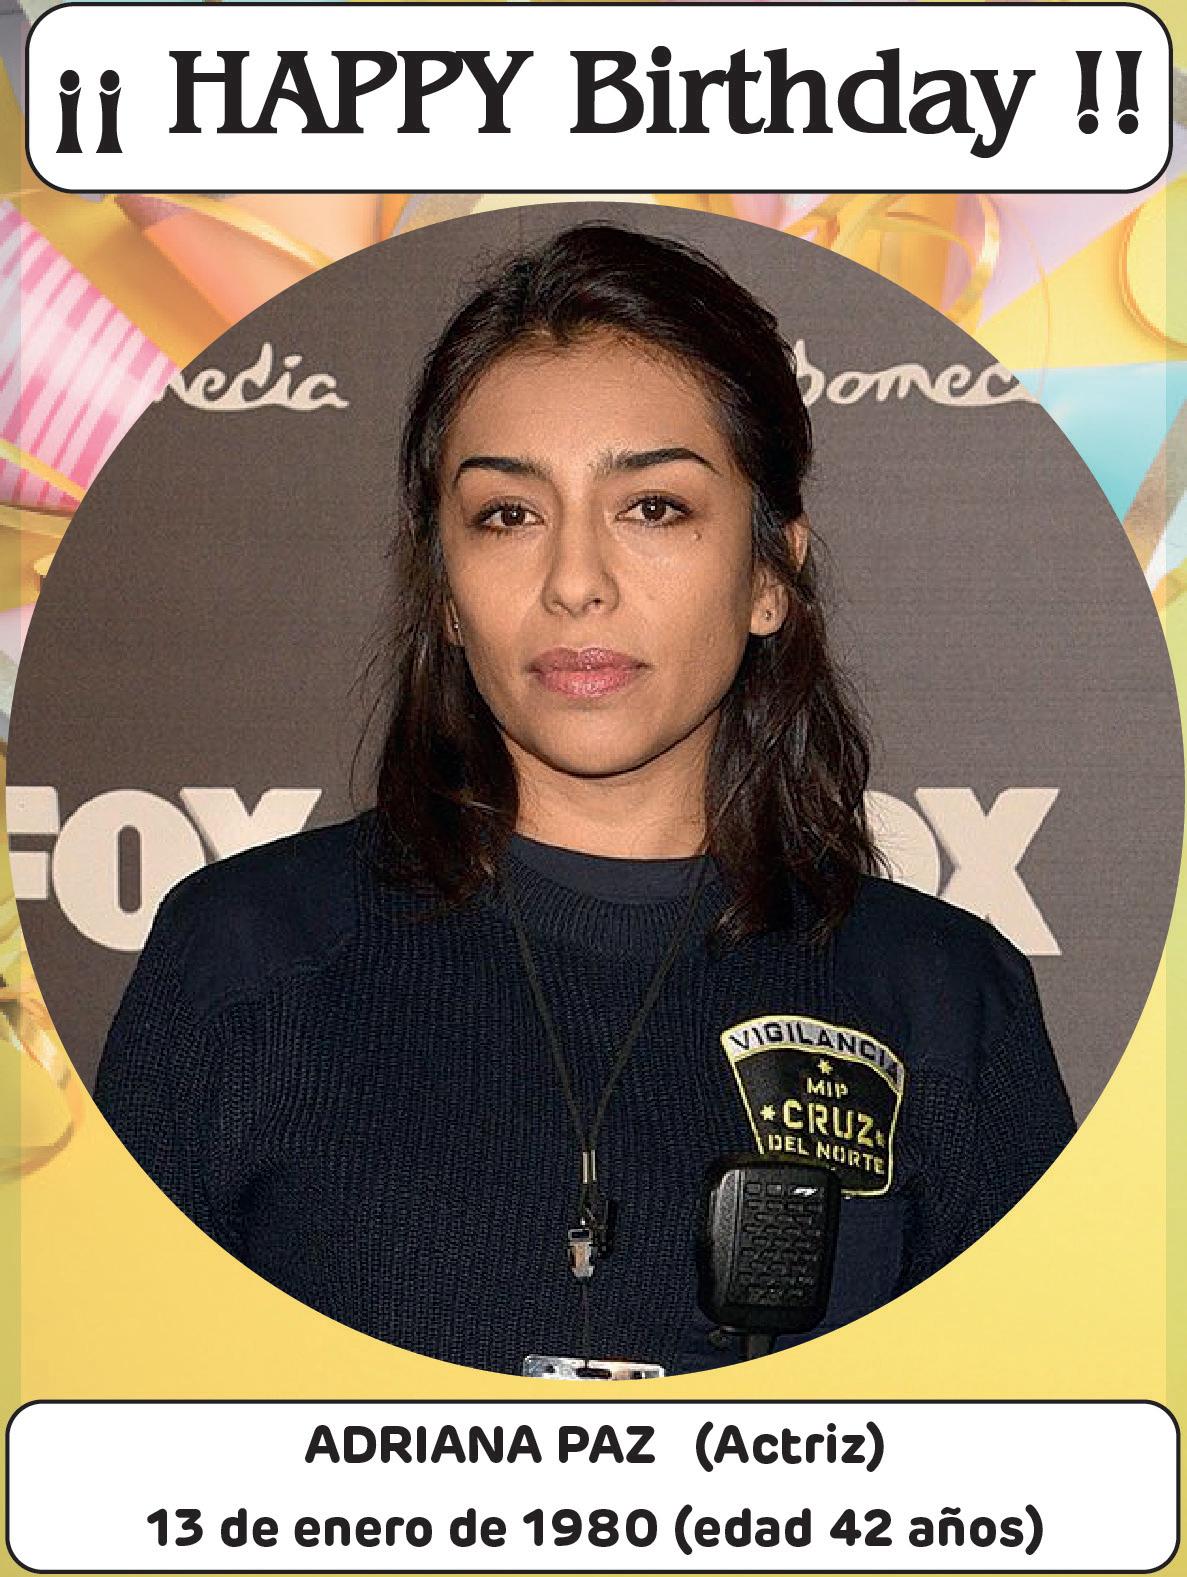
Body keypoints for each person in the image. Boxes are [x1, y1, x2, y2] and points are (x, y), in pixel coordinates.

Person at [95, 221, 1075, 1377]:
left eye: (651, 507)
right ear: (445, 589)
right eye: (507, 514)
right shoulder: (246, 959)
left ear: (768, 572)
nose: (573, 582)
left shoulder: (940, 997)